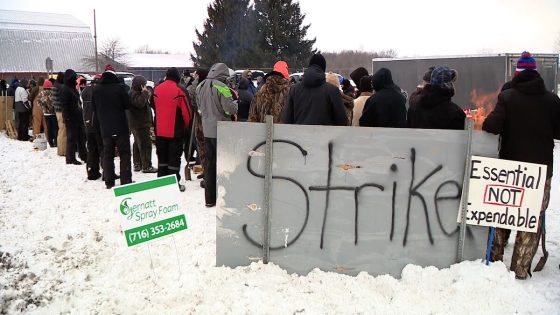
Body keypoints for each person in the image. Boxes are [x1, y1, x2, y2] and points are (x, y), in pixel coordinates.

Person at [483, 51, 560, 280]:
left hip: (511, 169)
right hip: (540, 172)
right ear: (535, 72)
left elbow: (492, 126)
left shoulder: (507, 97)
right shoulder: (552, 100)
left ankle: (495, 262)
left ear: (517, 73)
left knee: (502, 213)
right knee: (531, 219)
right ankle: (521, 268)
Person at [197, 63, 238, 207]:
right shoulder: (223, 88)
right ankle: (226, 198)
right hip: (222, 130)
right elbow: (230, 109)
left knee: (209, 165)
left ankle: (209, 199)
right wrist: (236, 103)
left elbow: (199, 107)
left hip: (207, 131)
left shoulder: (200, 86)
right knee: (225, 165)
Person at [92, 66, 133, 189]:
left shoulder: (96, 89)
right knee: (124, 154)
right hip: (120, 126)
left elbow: (94, 108)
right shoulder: (119, 88)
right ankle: (126, 180)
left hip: (105, 127)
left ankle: (109, 181)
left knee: (107, 154)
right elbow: (128, 105)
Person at [153, 67, 192, 192]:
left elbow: (152, 104)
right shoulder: (180, 90)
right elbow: (188, 113)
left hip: (160, 130)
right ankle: (173, 183)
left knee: (162, 157)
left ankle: (161, 181)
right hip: (175, 130)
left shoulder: (156, 89)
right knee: (174, 159)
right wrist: (185, 127)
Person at [281, 53, 347, 126]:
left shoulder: (294, 89)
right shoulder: (332, 91)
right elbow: (342, 121)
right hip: (325, 136)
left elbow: (287, 119)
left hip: (299, 135)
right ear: (323, 68)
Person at [129, 76, 157, 174]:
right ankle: (146, 166)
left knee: (137, 143)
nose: (145, 86)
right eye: (144, 84)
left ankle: (137, 164)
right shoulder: (134, 94)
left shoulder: (134, 93)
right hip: (140, 123)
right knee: (145, 144)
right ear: (140, 85)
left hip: (138, 123)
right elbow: (140, 104)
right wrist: (145, 93)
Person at [186, 68, 208, 179]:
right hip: (201, 117)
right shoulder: (204, 86)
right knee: (202, 144)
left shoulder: (196, 86)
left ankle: (205, 168)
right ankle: (204, 168)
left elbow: (192, 100)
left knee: (201, 143)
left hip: (200, 118)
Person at [82, 75, 103, 180]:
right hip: (99, 125)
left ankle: (92, 171)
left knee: (91, 149)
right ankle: (107, 171)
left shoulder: (85, 90)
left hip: (88, 124)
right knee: (103, 149)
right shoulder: (100, 90)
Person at [37, 80, 58, 147]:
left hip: (45, 114)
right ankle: (56, 142)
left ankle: (50, 143)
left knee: (48, 128)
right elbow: (54, 103)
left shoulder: (40, 94)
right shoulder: (52, 93)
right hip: (53, 113)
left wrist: (43, 108)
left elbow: (38, 103)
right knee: (55, 128)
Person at [52, 72, 67, 156]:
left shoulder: (55, 85)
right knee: (63, 131)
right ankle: (62, 151)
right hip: (61, 111)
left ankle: (60, 150)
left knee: (60, 130)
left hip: (57, 111)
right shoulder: (60, 87)